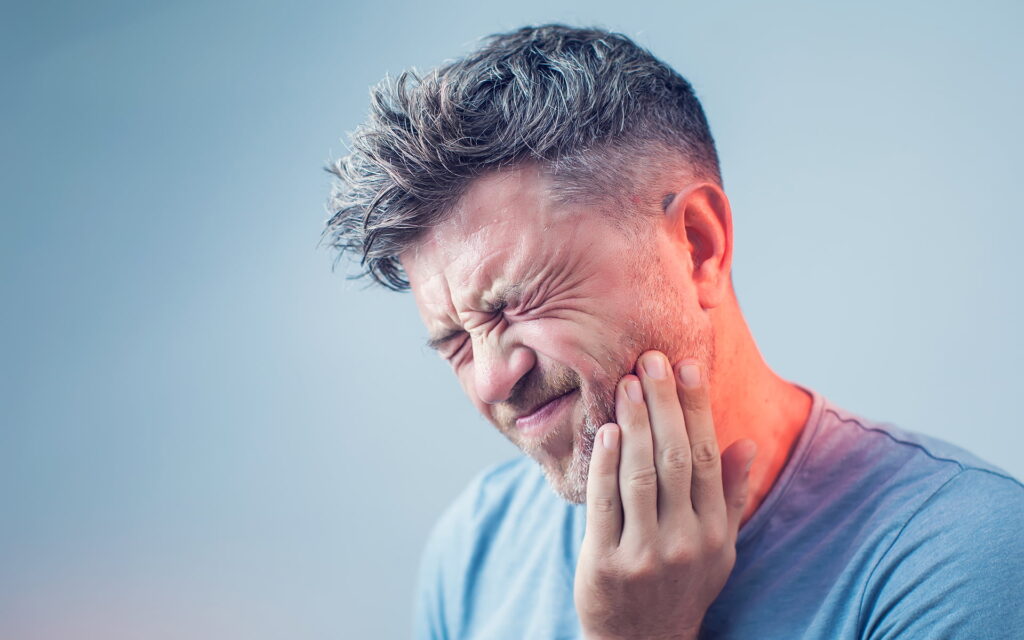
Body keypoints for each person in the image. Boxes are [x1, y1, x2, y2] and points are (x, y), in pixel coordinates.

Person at [322, 23, 1024, 640]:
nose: (491, 377)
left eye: (516, 304)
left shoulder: (966, 561)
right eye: (453, 342)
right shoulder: (472, 551)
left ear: (698, 245)